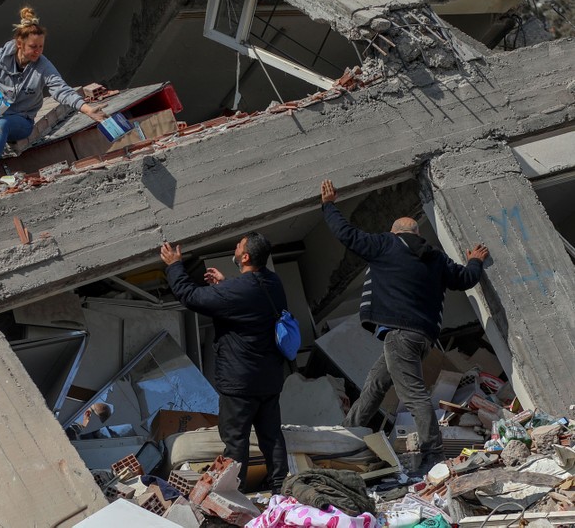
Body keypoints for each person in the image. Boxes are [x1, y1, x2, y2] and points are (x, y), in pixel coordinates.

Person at [319, 179, 489, 471]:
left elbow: (346, 234)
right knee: (375, 384)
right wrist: (474, 261)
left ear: (393, 232)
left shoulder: (385, 244)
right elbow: (465, 279)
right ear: (417, 234)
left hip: (400, 335)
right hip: (422, 338)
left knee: (413, 394)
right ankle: (348, 434)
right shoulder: (436, 258)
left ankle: (433, 453)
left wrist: (328, 206)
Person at [160, 234, 289, 492]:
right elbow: (246, 298)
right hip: (270, 377)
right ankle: (282, 487)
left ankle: (233, 491)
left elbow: (190, 296)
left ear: (245, 257)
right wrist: (224, 285)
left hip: (240, 382)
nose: (235, 247)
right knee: (271, 435)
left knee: (235, 439)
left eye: (239, 245)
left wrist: (174, 265)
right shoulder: (273, 282)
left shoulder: (237, 290)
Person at [0, 6, 108, 187]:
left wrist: (88, 110)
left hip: (20, 120)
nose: (38, 51)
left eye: (41, 47)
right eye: (33, 47)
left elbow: (62, 90)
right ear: (19, 44)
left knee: (1, 125)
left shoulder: (43, 66)